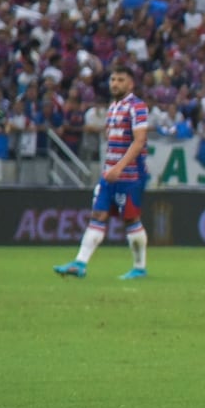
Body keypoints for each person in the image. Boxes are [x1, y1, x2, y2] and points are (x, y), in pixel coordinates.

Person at [53, 65, 149, 280]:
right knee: (98, 215)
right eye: (113, 79)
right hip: (109, 175)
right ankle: (80, 263)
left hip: (129, 175)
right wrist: (111, 168)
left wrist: (119, 167)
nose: (115, 84)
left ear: (130, 84)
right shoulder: (113, 106)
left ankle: (140, 267)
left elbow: (140, 141)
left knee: (131, 220)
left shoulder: (137, 106)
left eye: (120, 80)